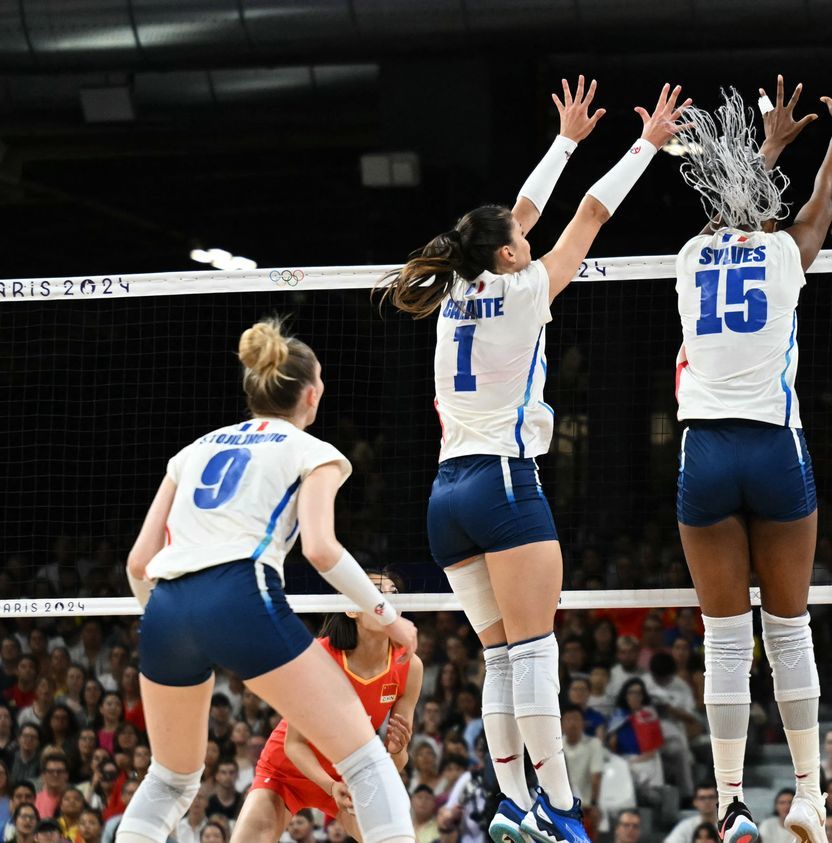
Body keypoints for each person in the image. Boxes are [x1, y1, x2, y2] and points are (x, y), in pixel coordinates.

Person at [381, 76, 689, 843]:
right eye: (519, 237)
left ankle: (513, 802)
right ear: (510, 253)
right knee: (535, 650)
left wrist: (565, 143)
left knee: (500, 657)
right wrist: (645, 145)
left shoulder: (455, 283)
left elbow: (516, 215)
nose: (527, 236)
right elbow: (588, 212)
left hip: (444, 495)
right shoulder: (527, 290)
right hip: (503, 482)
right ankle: (559, 804)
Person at [668, 61, 832, 843]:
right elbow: (820, 203)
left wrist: (761, 150)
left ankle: (730, 804)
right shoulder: (787, 255)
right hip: (772, 446)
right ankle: (808, 797)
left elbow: (737, 208)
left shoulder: (692, 261)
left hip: (705, 451)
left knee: (724, 637)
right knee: (787, 627)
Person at [121, 318, 419, 843]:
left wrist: (173, 623)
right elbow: (322, 550)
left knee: (170, 779)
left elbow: (138, 564)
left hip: (166, 608)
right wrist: (389, 616)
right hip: (241, 594)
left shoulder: (192, 450)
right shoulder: (314, 451)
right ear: (311, 393)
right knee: (367, 762)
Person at [231, 572, 422, 843]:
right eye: (377, 592)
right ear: (351, 609)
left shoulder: (409, 665)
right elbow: (294, 745)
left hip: (351, 776)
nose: (389, 599)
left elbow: (397, 762)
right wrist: (330, 786)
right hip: (287, 772)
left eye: (394, 592)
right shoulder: (319, 658)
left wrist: (399, 749)